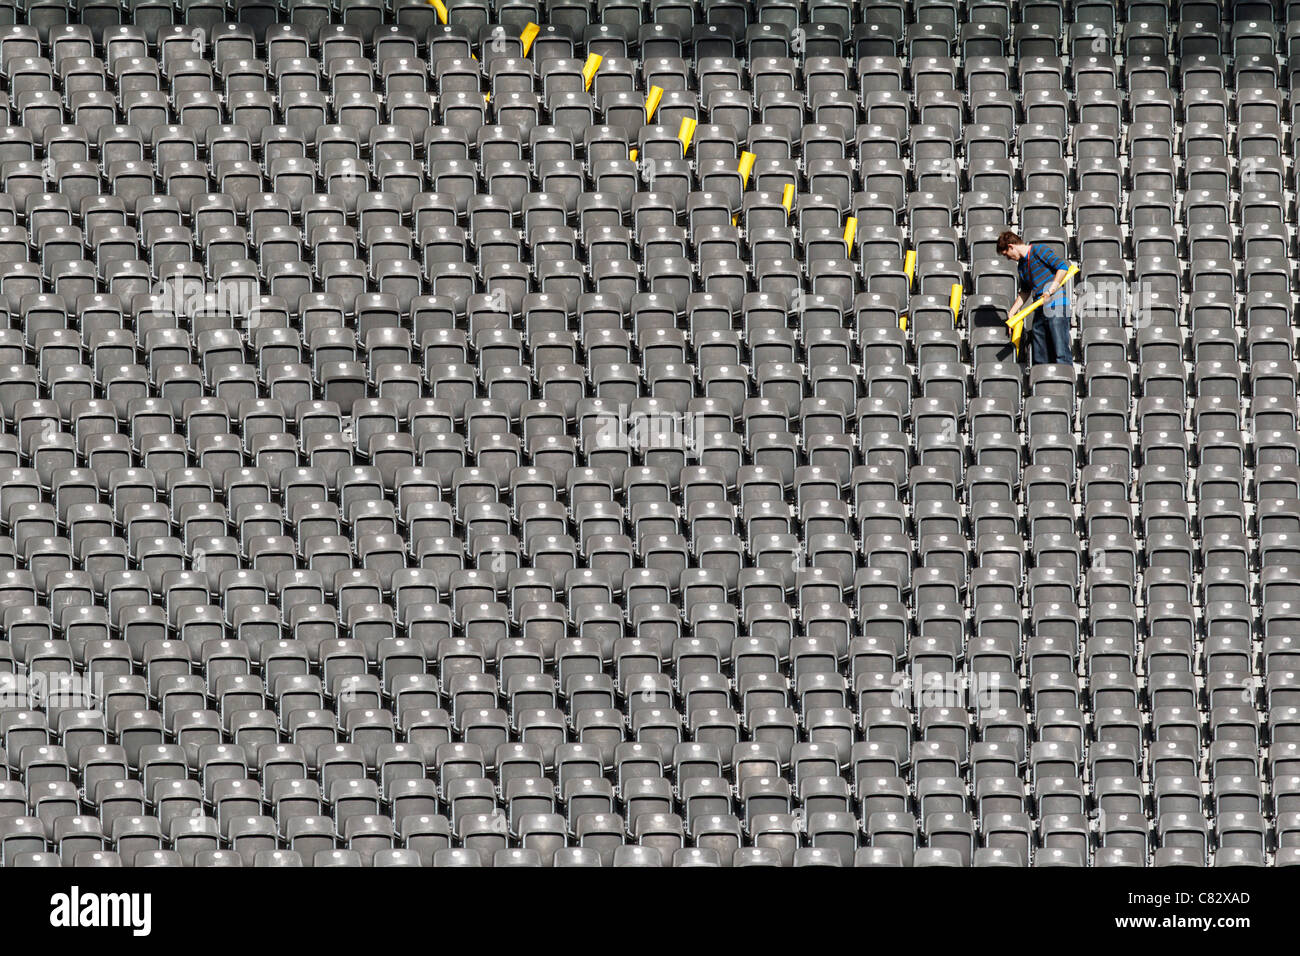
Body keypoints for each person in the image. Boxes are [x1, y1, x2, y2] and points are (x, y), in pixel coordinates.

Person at [997, 230, 1073, 366]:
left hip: (1056, 306)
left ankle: (1065, 384)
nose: (1008, 258)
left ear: (1011, 246)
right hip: (1040, 309)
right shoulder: (1021, 266)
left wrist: (1050, 290)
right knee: (1040, 355)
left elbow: (1062, 267)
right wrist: (1012, 313)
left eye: (1006, 255)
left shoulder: (1039, 250)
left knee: (1060, 353)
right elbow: (1025, 291)